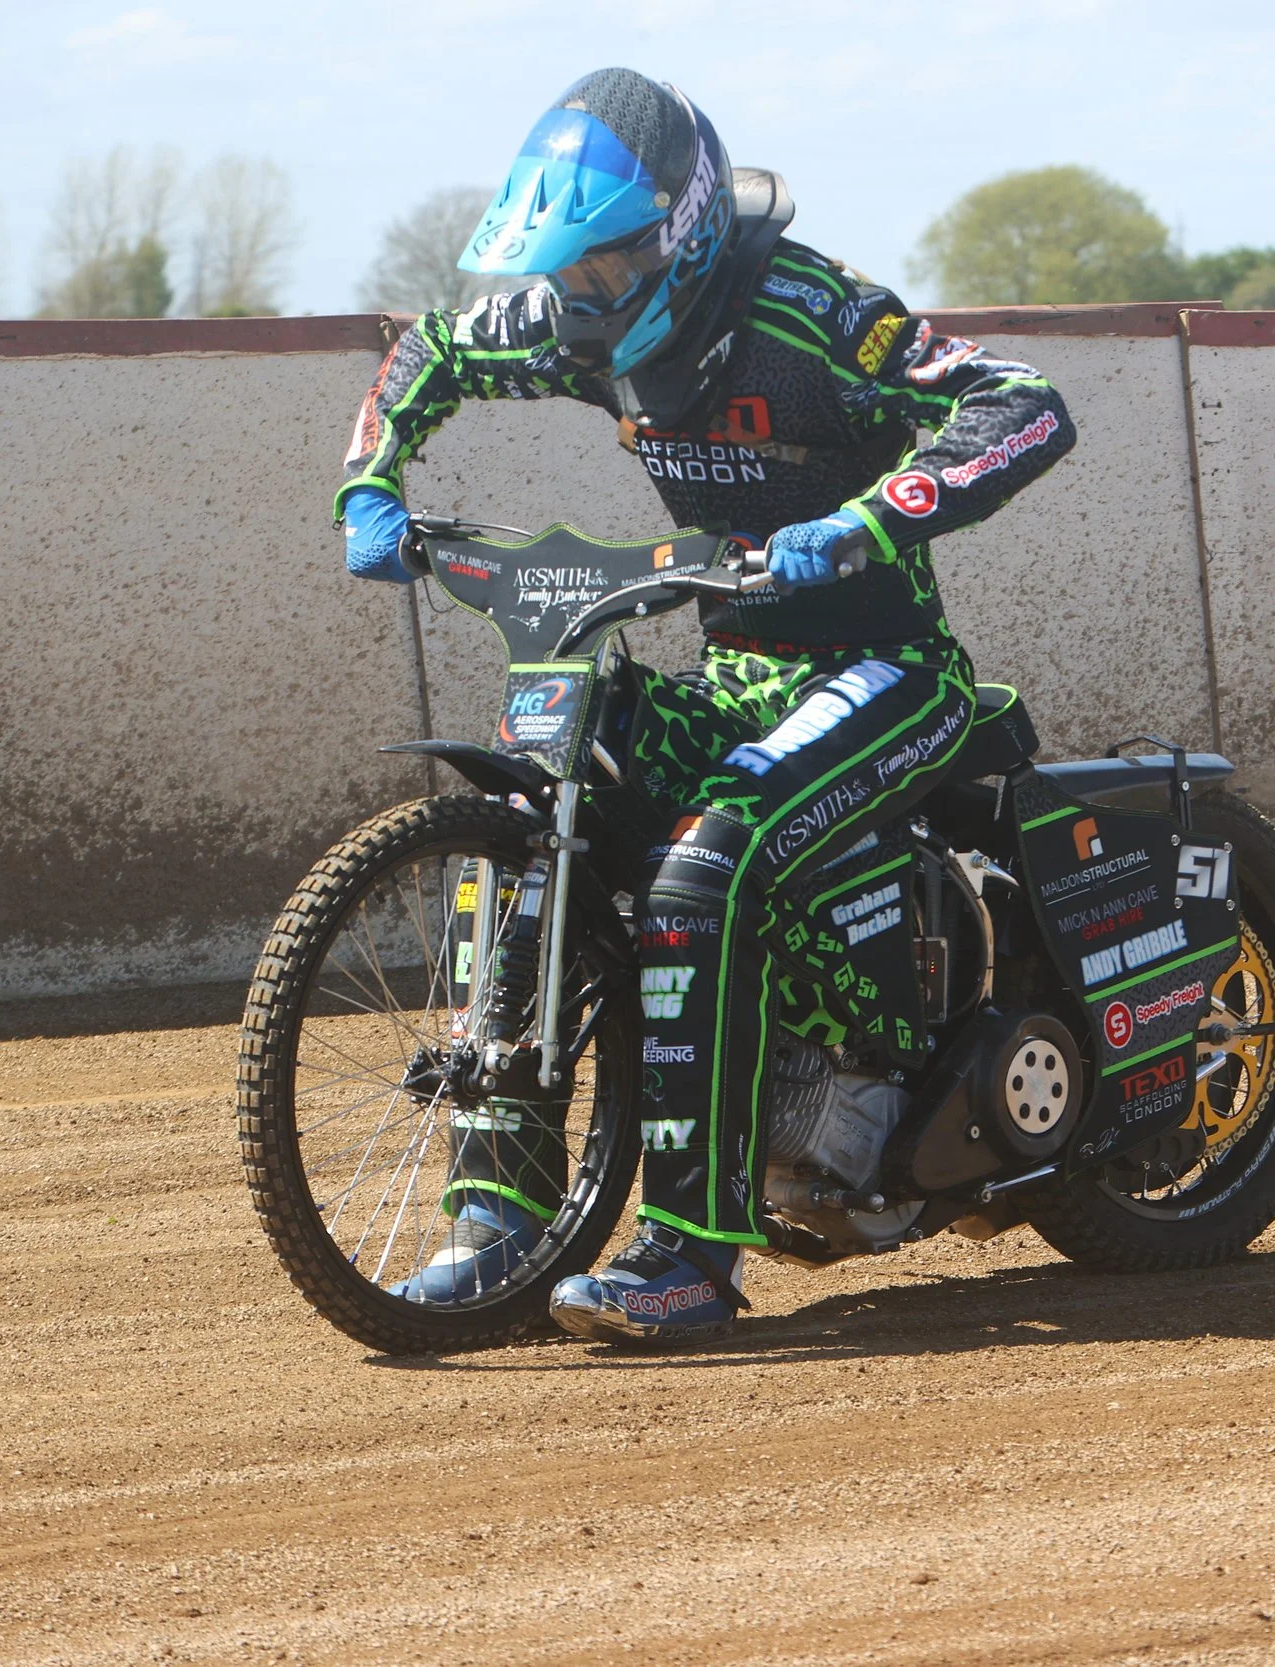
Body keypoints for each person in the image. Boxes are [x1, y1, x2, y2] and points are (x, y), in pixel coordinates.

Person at [336, 68, 1074, 1345]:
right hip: (740, 676)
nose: (583, 303)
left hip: (891, 677)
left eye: (606, 272)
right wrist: (368, 485)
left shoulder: (812, 312)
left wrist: (864, 517)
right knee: (545, 789)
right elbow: (429, 349)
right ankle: (497, 1213)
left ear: (676, 230)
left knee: (701, 868)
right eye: (568, 276)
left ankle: (688, 1252)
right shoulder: (570, 314)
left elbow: (1019, 405)